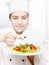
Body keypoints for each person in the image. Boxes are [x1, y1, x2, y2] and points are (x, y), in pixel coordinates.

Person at [0, 0, 49, 65]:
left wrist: (32, 57)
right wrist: (3, 38)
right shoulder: (3, 33)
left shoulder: (37, 35)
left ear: (28, 18)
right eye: (15, 18)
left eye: (24, 17)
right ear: (10, 18)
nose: (19, 22)